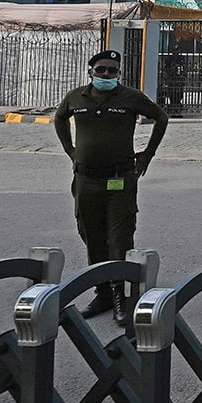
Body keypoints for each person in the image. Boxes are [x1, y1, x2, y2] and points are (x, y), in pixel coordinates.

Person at [55, 50, 169, 325]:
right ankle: (103, 292)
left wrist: (147, 154)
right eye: (102, 70)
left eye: (112, 71)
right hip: (86, 180)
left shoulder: (130, 97)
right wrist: (70, 150)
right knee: (91, 235)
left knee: (119, 238)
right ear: (91, 70)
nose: (107, 75)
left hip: (120, 179)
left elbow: (161, 117)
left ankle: (122, 295)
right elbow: (59, 118)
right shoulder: (75, 97)